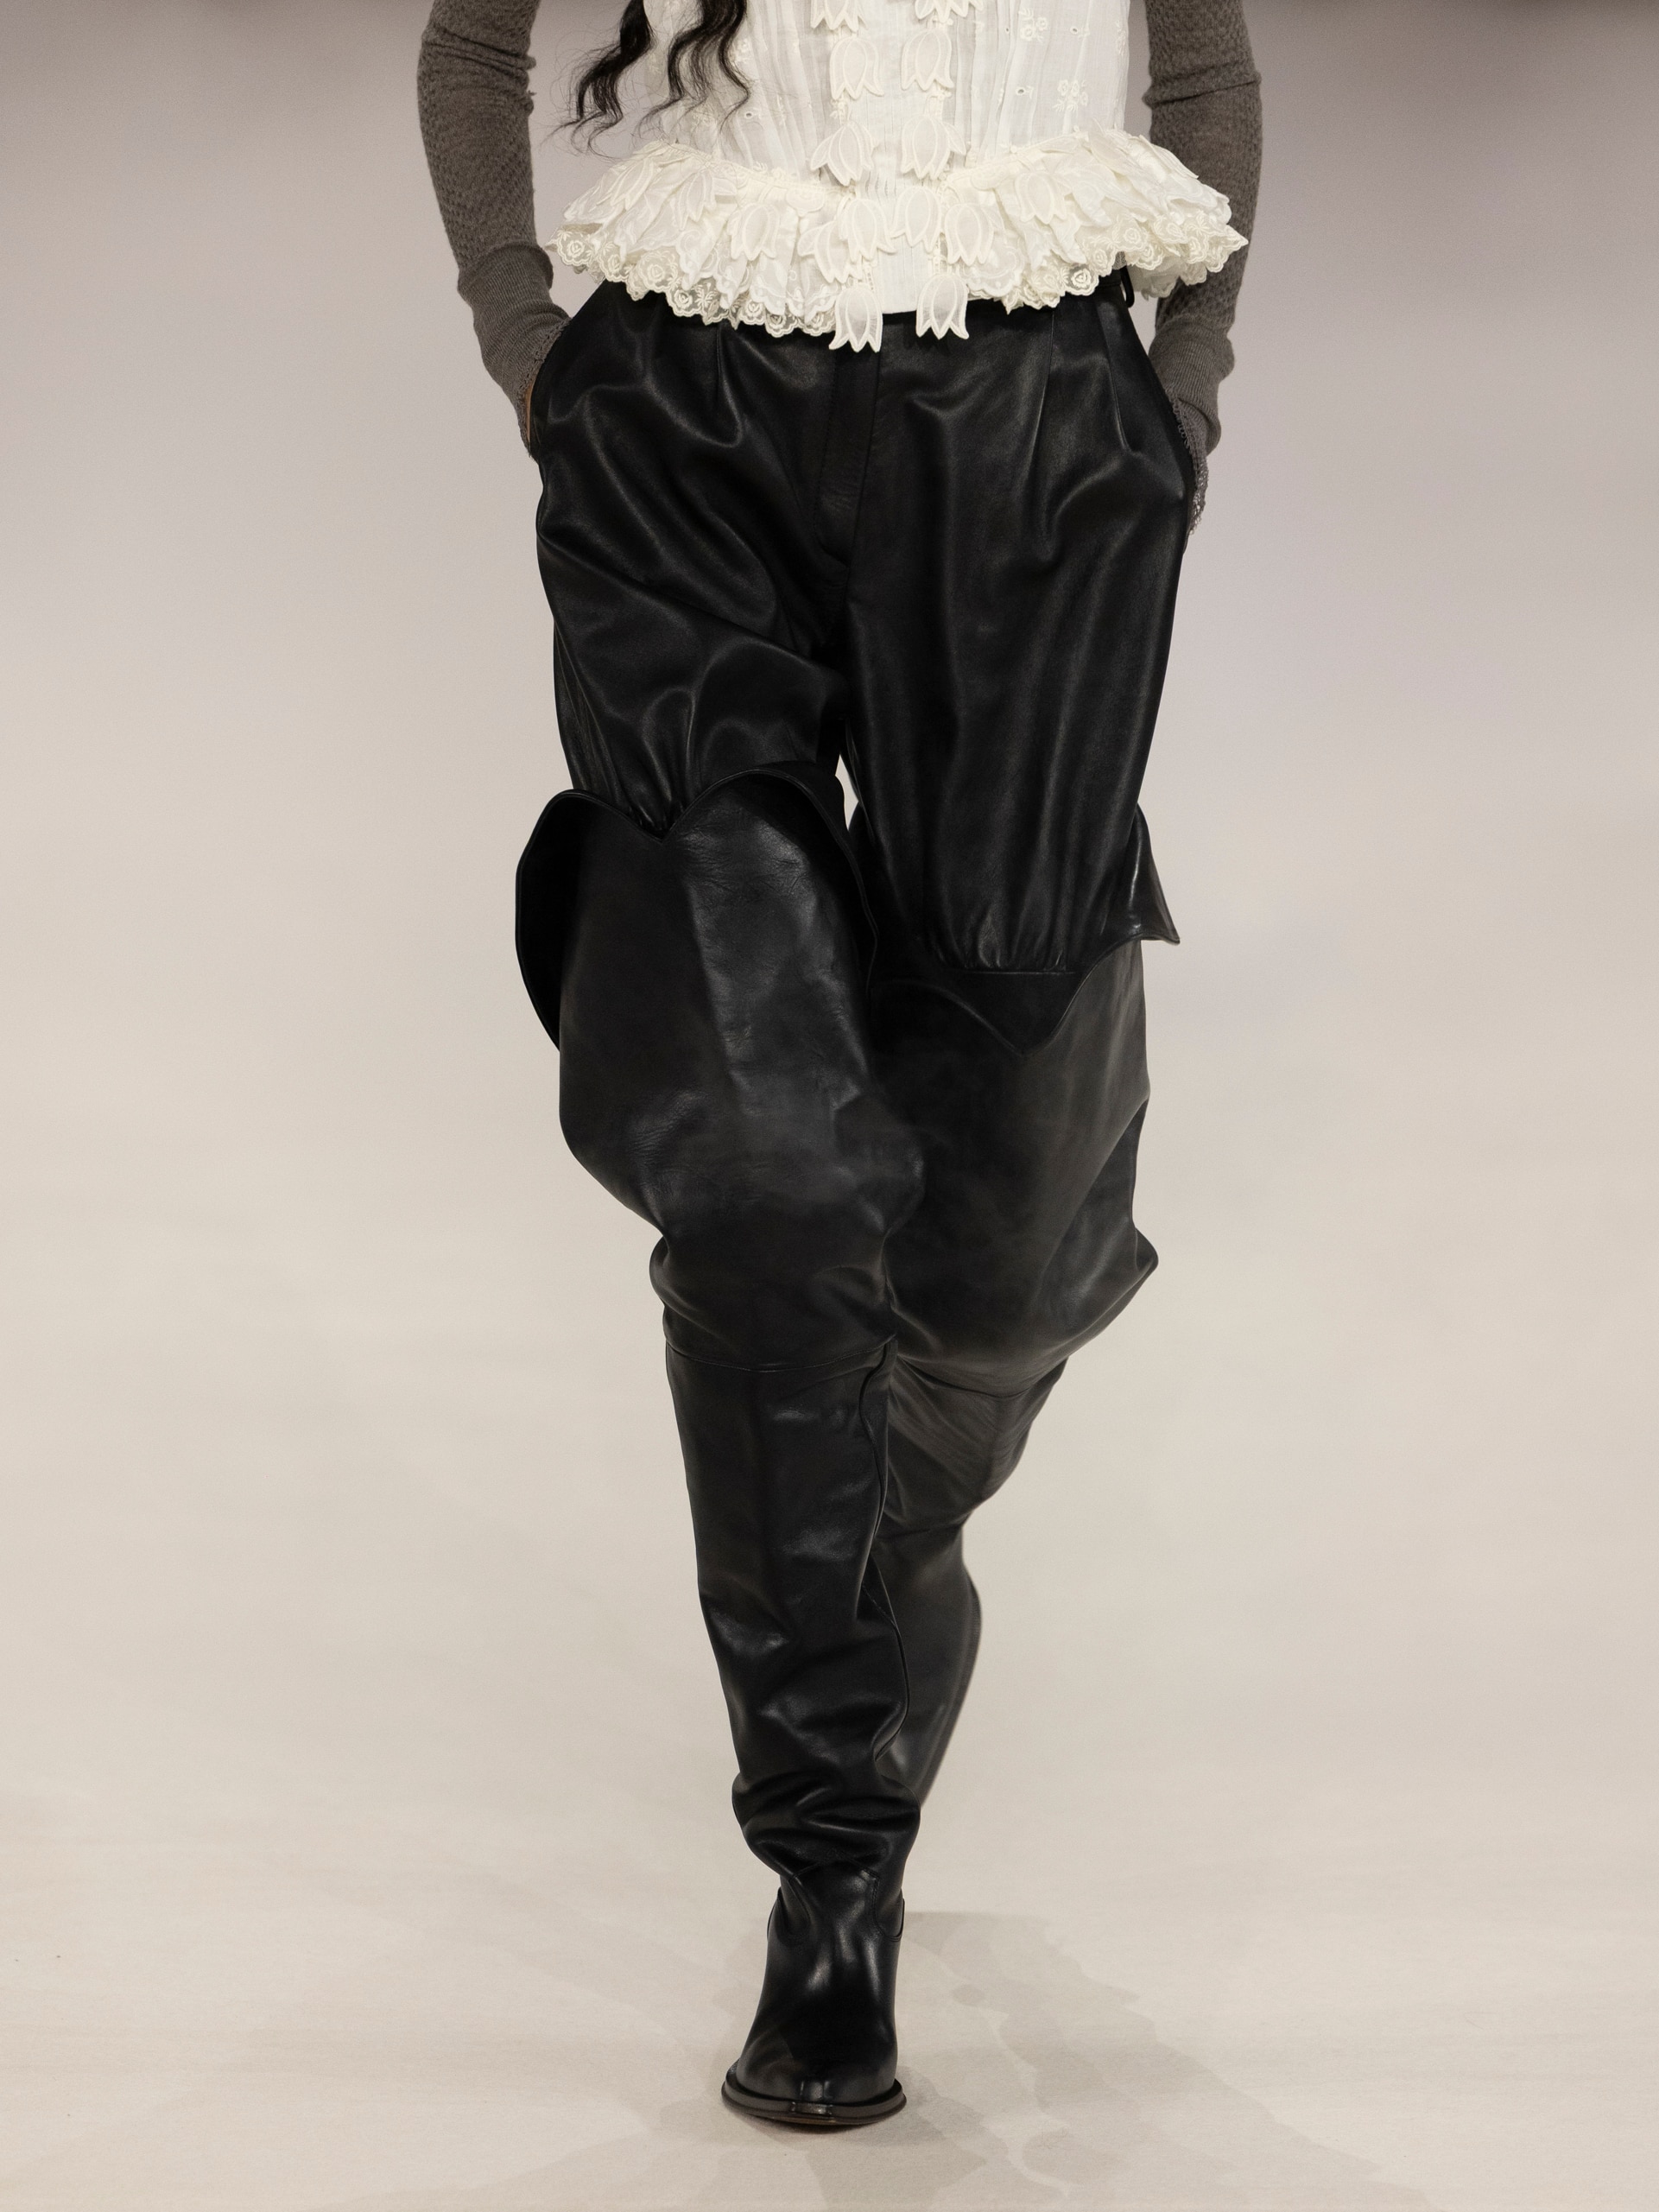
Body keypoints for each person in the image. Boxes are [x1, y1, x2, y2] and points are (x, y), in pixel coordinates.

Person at [418, 0, 1259, 2130]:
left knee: (1007, 1238)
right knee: (763, 1168)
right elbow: (469, 39)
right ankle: (832, 1866)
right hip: (685, 436)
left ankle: (880, 1554)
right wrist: (534, 348)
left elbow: (1202, 66)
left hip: (1040, 446)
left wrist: (1181, 391)